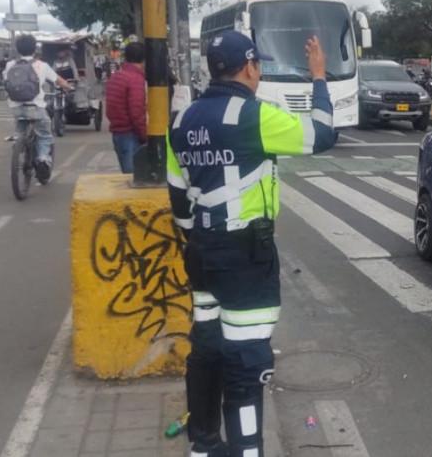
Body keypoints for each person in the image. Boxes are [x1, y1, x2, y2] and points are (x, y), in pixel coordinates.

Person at [167, 31, 337, 457]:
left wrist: (199, 238)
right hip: (245, 256)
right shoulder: (254, 116)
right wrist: (318, 77)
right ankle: (247, 451)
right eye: (258, 66)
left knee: (206, 346)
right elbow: (321, 134)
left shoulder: (182, 120)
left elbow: (177, 197)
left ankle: (203, 446)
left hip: (202, 251)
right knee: (247, 360)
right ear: (249, 67)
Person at [4, 35, 73, 179]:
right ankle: (42, 159)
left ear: (17, 49)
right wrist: (68, 86)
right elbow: (59, 81)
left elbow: (6, 81)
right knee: (45, 135)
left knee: (20, 131)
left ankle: (19, 146)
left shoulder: (10, 65)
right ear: (35, 49)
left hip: (16, 107)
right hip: (36, 107)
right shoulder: (42, 65)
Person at [105, 42, 146, 173]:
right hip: (131, 136)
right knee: (135, 180)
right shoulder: (135, 79)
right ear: (144, 59)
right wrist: (146, 136)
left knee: (128, 177)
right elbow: (137, 112)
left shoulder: (116, 77)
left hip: (118, 134)